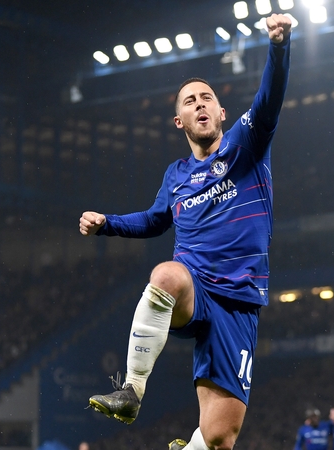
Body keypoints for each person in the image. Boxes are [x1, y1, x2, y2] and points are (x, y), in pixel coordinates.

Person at [80, 13, 292, 450]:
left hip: (239, 301)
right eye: (189, 101)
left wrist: (278, 46)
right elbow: (156, 220)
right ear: (179, 121)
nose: (198, 104)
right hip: (195, 286)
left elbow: (269, 98)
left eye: (206, 98)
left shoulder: (246, 143)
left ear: (221, 111)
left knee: (219, 438)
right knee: (165, 275)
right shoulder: (176, 176)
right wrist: (109, 225)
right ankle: (132, 393)